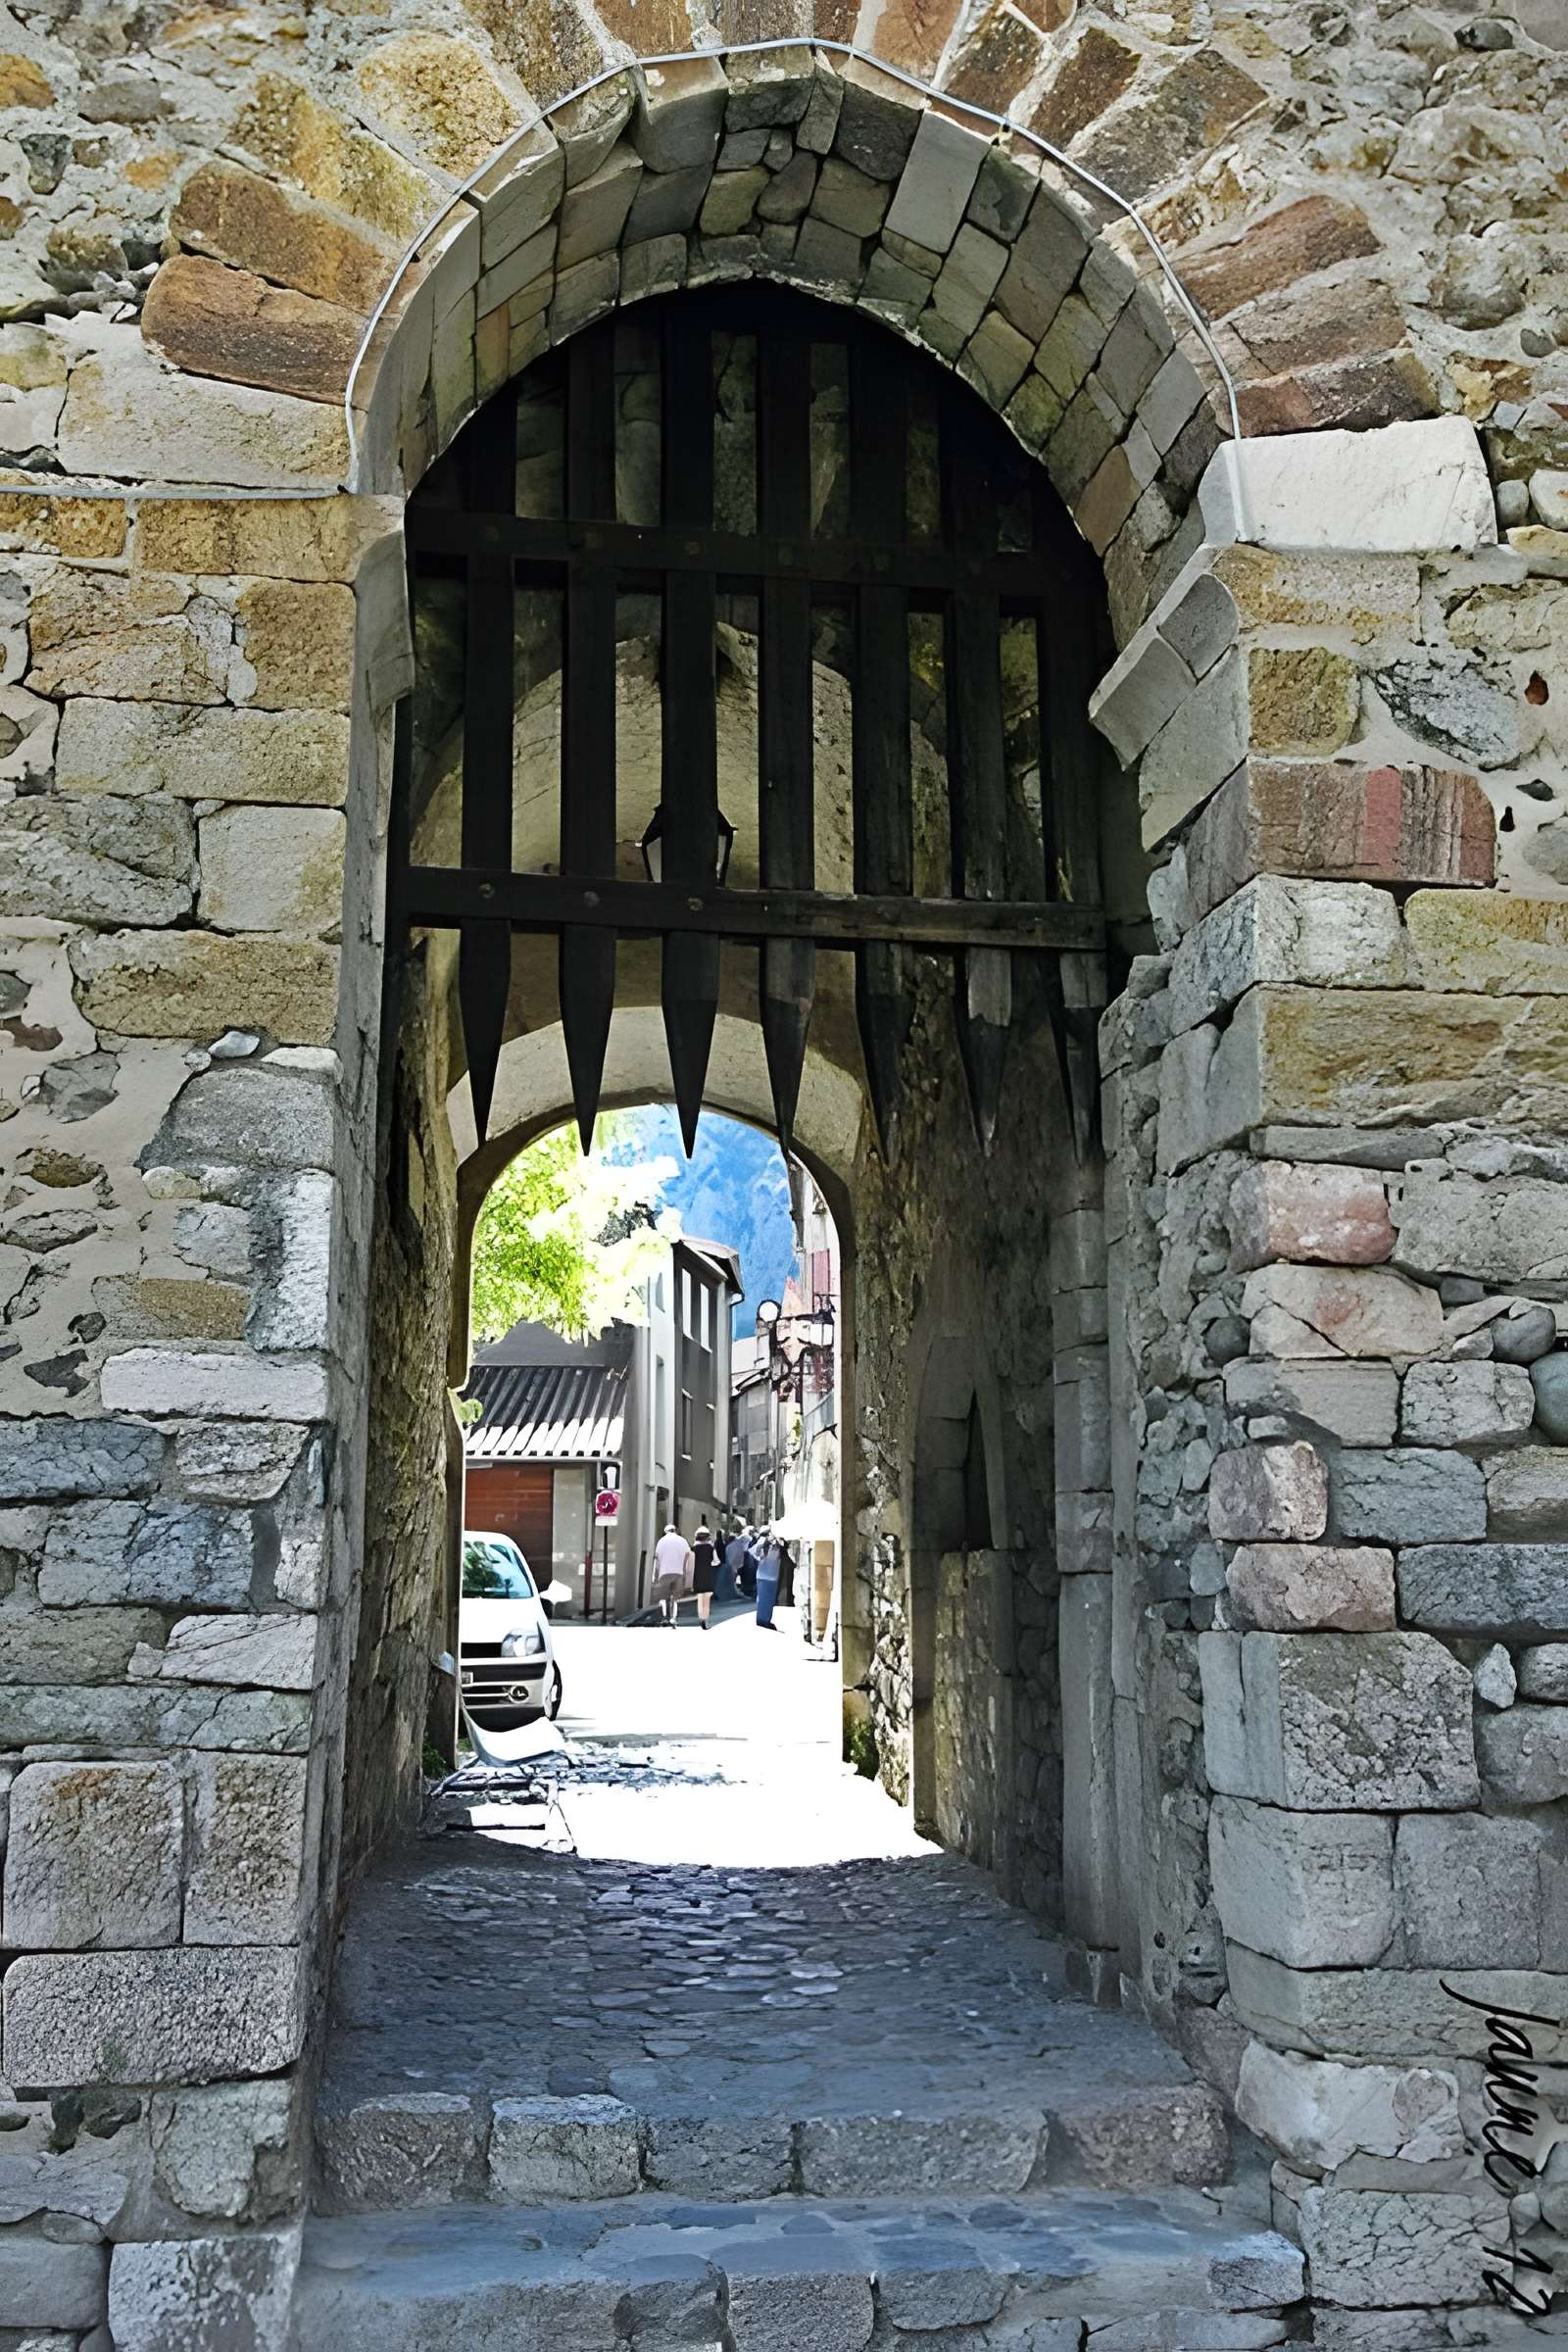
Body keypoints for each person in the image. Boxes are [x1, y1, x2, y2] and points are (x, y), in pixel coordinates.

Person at [651, 1522, 691, 1627]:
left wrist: (655, 1575)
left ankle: (664, 1618)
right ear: (675, 1530)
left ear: (665, 1532)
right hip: (678, 1572)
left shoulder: (661, 1541)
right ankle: (673, 1618)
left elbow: (657, 1558)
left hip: (664, 1572)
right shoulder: (682, 1540)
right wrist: (684, 1568)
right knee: (675, 1597)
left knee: (663, 1597)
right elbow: (687, 1554)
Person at [691, 1521, 717, 1630]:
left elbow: (691, 1563)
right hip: (708, 1575)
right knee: (707, 1599)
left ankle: (701, 1618)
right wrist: (711, 1563)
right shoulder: (711, 1548)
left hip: (697, 1576)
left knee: (700, 1598)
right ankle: (705, 1620)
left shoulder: (694, 1549)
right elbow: (717, 1561)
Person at [755, 1530, 782, 1630]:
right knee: (766, 1600)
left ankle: (764, 1620)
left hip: (765, 1575)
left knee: (765, 1600)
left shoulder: (771, 1546)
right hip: (769, 1576)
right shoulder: (767, 1545)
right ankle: (763, 1621)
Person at [720, 1522, 749, 1606]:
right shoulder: (739, 1545)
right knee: (735, 1579)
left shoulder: (729, 1547)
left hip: (731, 1565)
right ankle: (737, 1591)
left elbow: (727, 1556)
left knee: (732, 1580)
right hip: (738, 1564)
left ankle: (733, 1592)